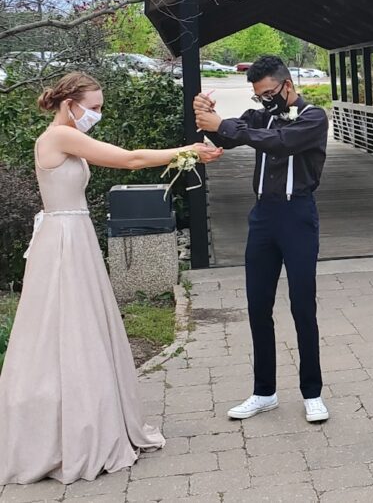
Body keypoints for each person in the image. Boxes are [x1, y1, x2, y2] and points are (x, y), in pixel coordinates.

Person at [0, 72, 223, 485]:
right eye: (94, 107)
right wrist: (188, 150)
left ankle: (83, 420)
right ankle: (64, 431)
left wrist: (188, 154)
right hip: (64, 239)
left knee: (80, 326)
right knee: (62, 326)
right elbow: (130, 159)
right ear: (70, 104)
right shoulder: (58, 137)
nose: (97, 115)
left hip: (73, 233)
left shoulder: (65, 137)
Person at [193, 55, 330, 423]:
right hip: (263, 216)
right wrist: (206, 117)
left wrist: (225, 126)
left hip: (298, 214)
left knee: (303, 305)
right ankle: (264, 391)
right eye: (258, 96)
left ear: (287, 84)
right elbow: (227, 134)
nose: (264, 101)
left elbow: (281, 143)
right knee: (257, 306)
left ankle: (312, 393)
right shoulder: (260, 117)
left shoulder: (313, 118)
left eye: (269, 93)